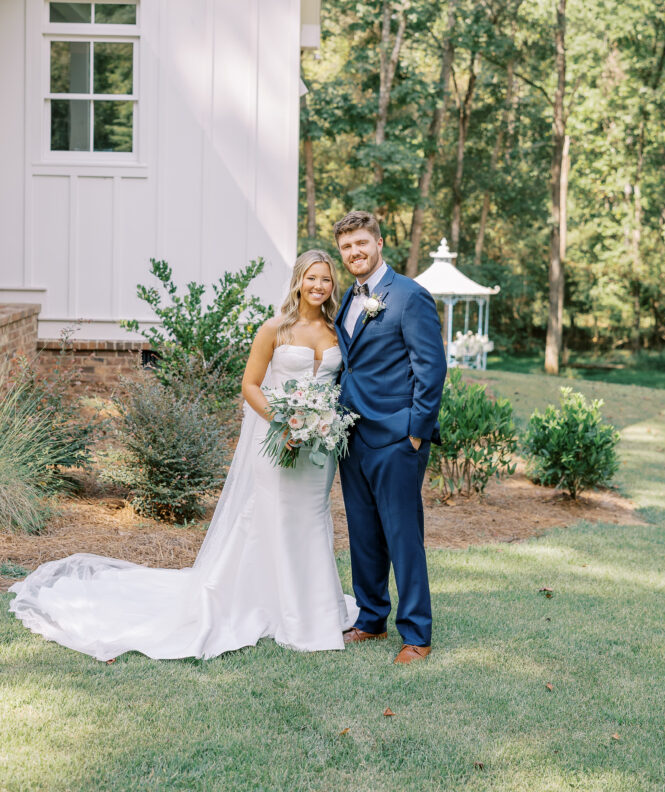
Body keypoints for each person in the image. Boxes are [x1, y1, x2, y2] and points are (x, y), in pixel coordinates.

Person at [8, 250, 358, 661]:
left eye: (327, 280)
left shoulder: (339, 332)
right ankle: (274, 607)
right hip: (277, 441)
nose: (319, 286)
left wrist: (318, 423)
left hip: (318, 449)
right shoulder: (274, 329)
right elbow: (250, 385)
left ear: (333, 286)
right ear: (298, 281)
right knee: (275, 518)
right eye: (312, 278)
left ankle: (315, 608)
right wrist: (283, 422)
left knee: (313, 520)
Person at [333, 211, 447, 664]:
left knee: (403, 537)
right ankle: (370, 619)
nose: (354, 252)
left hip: (398, 440)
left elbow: (431, 369)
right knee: (363, 533)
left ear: (379, 243)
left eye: (362, 243)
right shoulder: (348, 297)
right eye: (346, 247)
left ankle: (416, 634)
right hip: (351, 436)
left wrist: (416, 433)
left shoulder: (409, 296)